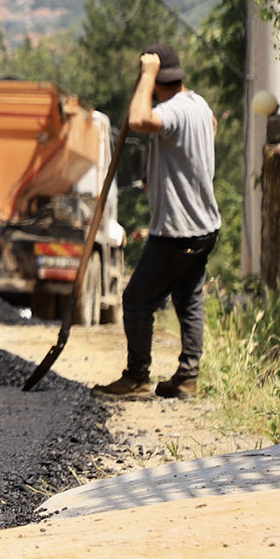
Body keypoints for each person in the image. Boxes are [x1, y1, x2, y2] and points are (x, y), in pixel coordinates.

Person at [96, 42, 221, 400]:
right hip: (204, 226)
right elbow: (210, 127)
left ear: (158, 79)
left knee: (137, 300)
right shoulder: (199, 105)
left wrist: (146, 75)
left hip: (178, 231)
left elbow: (138, 119)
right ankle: (186, 378)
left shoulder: (175, 111)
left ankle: (137, 377)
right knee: (189, 299)